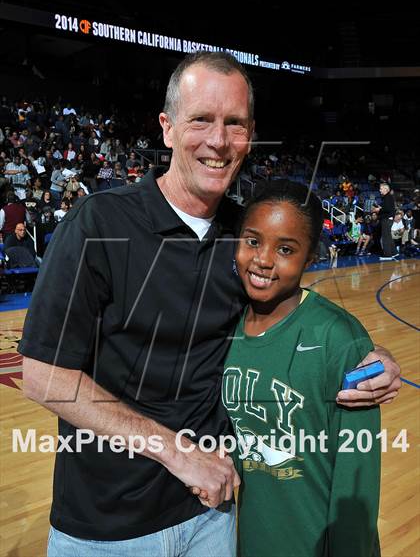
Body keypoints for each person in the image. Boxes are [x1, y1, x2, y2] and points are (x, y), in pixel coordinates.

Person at [19, 52, 400, 557]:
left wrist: (371, 360)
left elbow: (303, 313)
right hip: (106, 529)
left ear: (250, 134)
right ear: (168, 128)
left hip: (212, 518)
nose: (218, 140)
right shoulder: (98, 225)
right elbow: (42, 374)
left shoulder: (247, 238)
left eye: (234, 124)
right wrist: (178, 453)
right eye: (201, 119)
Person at [220, 180, 381, 556]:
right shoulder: (226, 326)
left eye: (286, 249)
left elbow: (356, 482)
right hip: (252, 540)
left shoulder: (340, 337)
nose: (263, 259)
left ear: (310, 258)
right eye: (253, 240)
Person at [372, 182, 396, 260]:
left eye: (381, 188)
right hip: (388, 218)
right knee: (388, 236)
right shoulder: (388, 197)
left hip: (387, 219)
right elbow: (387, 208)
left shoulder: (387, 197)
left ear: (386, 189)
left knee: (385, 237)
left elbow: (387, 209)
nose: (380, 190)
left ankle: (388, 255)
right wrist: (380, 208)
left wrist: (378, 209)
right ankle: (393, 252)